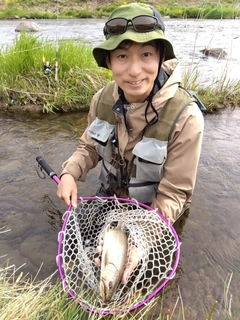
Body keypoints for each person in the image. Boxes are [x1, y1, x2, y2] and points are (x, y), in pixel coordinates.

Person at [57, 3, 204, 283]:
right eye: (122, 56)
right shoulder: (101, 99)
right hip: (111, 199)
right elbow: (88, 147)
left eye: (146, 54)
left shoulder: (186, 116)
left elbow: (175, 194)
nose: (134, 71)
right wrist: (70, 173)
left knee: (142, 275)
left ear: (161, 57)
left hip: (158, 211)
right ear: (109, 62)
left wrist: (142, 241)